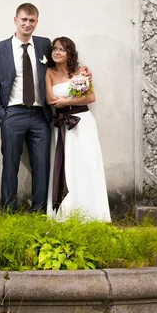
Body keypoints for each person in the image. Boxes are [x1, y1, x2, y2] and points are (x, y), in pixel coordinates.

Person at [0, 3, 52, 212]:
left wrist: (78, 74)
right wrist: (3, 115)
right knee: (10, 165)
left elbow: (59, 65)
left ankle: (39, 212)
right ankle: (9, 213)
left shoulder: (45, 45)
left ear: (37, 22)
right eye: (24, 19)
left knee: (41, 165)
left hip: (40, 115)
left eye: (32, 20)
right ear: (15, 20)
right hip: (12, 114)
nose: (27, 24)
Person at [45, 37, 111, 222]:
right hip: (62, 124)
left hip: (83, 121)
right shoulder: (49, 73)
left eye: (62, 50)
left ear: (69, 53)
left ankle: (93, 212)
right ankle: (65, 211)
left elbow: (90, 97)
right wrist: (64, 102)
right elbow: (50, 99)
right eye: (55, 49)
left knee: (87, 163)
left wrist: (68, 101)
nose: (57, 52)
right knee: (65, 166)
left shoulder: (80, 72)